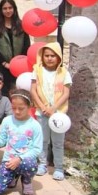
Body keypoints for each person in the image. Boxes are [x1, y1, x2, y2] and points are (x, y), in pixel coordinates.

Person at [0, 89, 42, 195]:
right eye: (14, 108)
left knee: (30, 165)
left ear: (29, 106)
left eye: (21, 108)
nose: (17, 111)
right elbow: (2, 142)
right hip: (8, 162)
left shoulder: (35, 125)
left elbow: (37, 149)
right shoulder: (7, 121)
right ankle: (13, 176)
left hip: (24, 161)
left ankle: (26, 180)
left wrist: (19, 159)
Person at [30, 42, 72, 181]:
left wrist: (53, 109)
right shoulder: (37, 70)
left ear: (59, 57)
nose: (49, 58)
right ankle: (42, 164)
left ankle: (59, 167)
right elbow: (33, 90)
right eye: (46, 55)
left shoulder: (64, 73)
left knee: (58, 142)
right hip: (42, 113)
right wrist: (43, 107)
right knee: (43, 140)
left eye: (52, 56)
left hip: (59, 114)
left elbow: (66, 93)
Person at [0, 0, 31, 97]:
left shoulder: (21, 25)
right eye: (5, 8)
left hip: (19, 66)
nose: (8, 11)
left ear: (14, 9)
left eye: (10, 8)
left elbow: (26, 45)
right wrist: (4, 63)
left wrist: (21, 62)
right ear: (1, 10)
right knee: (4, 92)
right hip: (2, 66)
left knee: (18, 91)